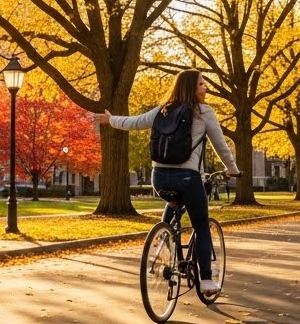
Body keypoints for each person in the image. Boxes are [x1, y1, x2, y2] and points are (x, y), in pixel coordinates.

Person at [94, 70, 241, 294]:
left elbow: (136, 122)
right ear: (191, 87)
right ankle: (207, 280)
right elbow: (220, 145)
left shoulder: (162, 109)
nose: (206, 87)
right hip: (188, 178)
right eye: (201, 84)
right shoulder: (204, 112)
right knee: (201, 226)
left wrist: (111, 120)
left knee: (173, 203)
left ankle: (163, 243)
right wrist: (233, 170)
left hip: (159, 178)